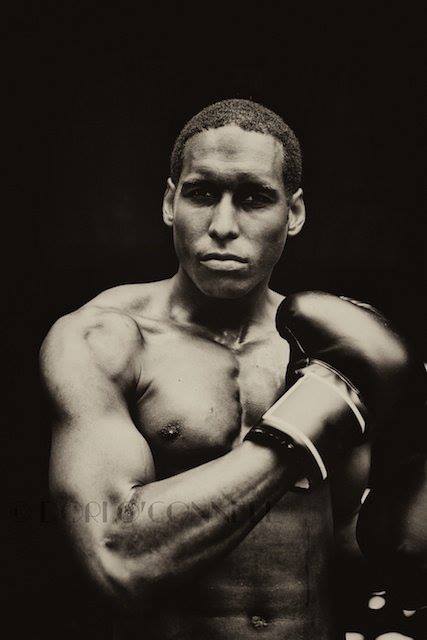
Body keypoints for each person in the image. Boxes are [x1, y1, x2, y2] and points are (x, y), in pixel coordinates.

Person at [40, 99, 426, 639]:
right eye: (201, 194)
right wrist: (309, 418)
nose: (223, 226)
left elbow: (347, 537)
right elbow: (118, 558)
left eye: (254, 198)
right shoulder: (104, 340)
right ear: (170, 202)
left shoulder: (338, 348)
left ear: (293, 213)